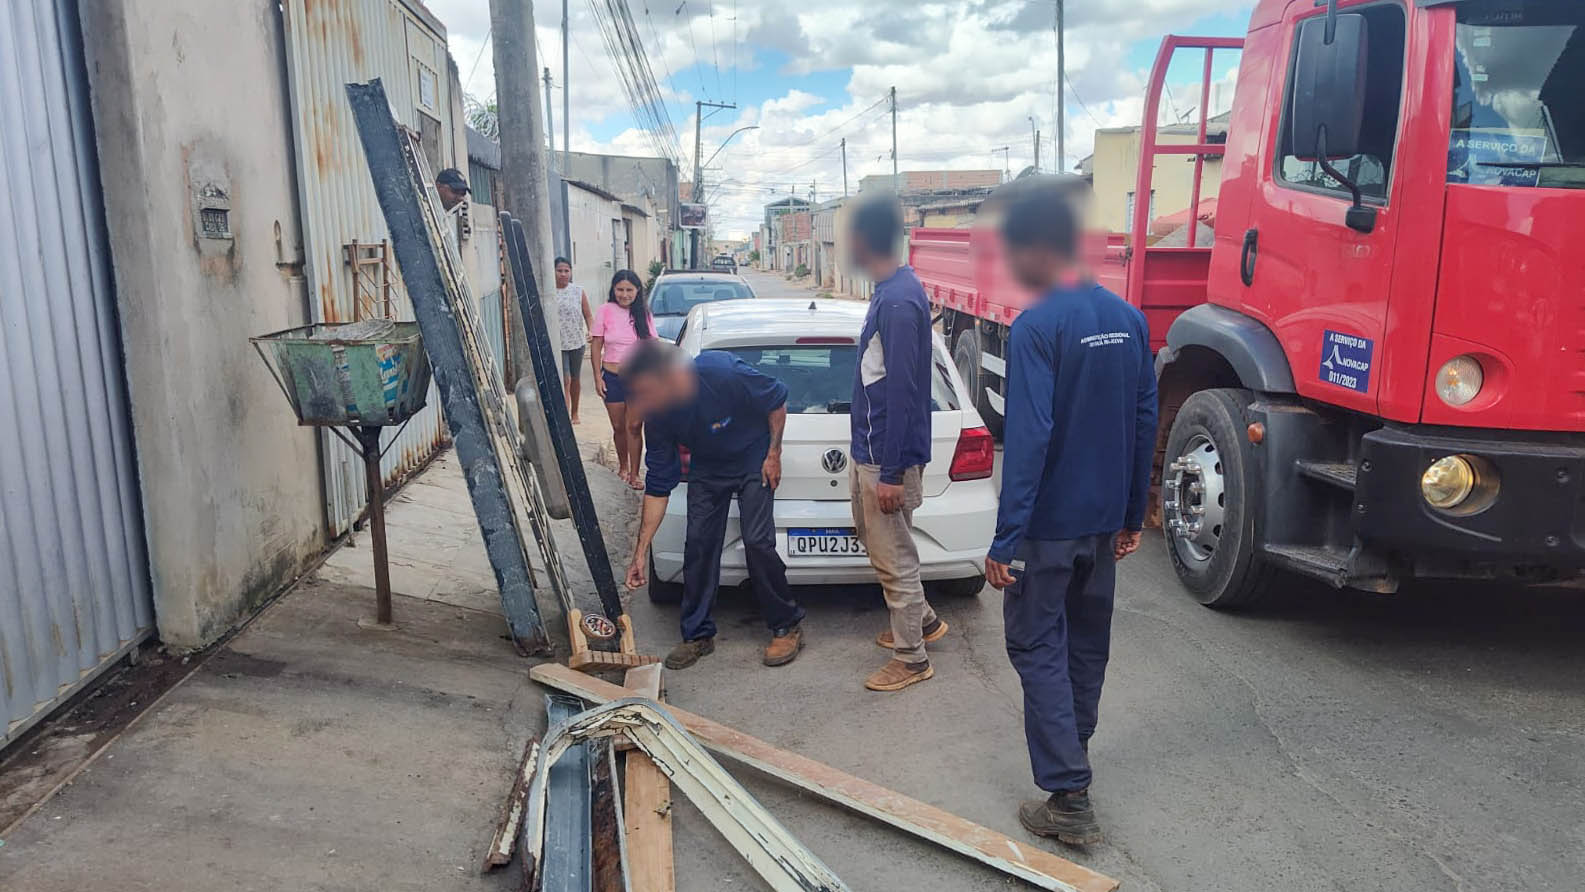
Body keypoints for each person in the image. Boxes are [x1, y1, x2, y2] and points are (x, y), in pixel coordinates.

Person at [983, 177, 1157, 846]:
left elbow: (1027, 439)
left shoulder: (1036, 326)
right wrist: (1129, 514)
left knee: (1035, 642)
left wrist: (1005, 541)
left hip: (1049, 526)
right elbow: (1143, 421)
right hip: (1099, 521)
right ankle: (1073, 759)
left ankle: (1067, 794)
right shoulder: (1126, 318)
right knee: (1085, 643)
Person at [619, 340, 805, 670]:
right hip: (708, 466)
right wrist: (640, 552)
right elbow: (658, 487)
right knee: (700, 543)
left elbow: (776, 401)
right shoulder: (659, 416)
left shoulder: (721, 372)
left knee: (757, 540)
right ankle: (697, 634)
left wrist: (773, 455)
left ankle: (786, 624)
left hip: (753, 456)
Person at [845, 194, 944, 693]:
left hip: (887, 457)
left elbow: (905, 394)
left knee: (895, 557)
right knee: (879, 543)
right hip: (870, 451)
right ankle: (923, 622)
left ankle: (912, 659)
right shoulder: (890, 292)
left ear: (865, 242)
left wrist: (889, 471)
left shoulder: (901, 301)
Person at [590, 270, 654, 489]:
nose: (624, 294)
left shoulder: (643, 314)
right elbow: (596, 344)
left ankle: (636, 474)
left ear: (637, 291)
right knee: (619, 426)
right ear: (613, 290)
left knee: (634, 426)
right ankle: (623, 466)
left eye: (629, 290)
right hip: (612, 377)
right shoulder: (605, 311)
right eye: (620, 289)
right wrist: (598, 377)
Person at [553, 257, 594, 423]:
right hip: (558, 343)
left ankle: (575, 412)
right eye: (559, 271)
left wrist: (592, 330)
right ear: (554, 272)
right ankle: (564, 415)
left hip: (577, 342)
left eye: (566, 271)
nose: (563, 274)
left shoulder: (578, 291)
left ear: (571, 272)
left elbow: (588, 315)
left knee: (575, 379)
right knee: (565, 379)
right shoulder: (548, 292)